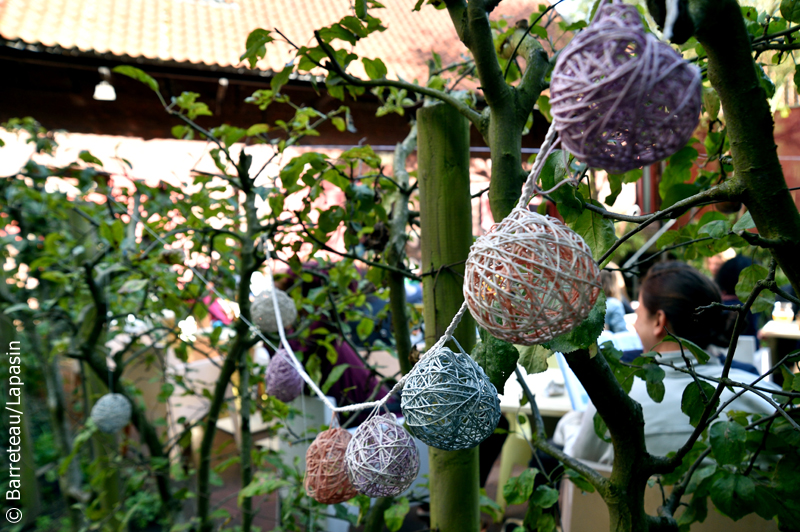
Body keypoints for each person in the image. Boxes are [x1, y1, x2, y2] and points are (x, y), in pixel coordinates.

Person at [560, 261, 777, 463]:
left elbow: (577, 464)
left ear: (659, 321)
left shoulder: (614, 402)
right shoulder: (765, 398)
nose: (635, 324)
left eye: (639, 313)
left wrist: (570, 423)